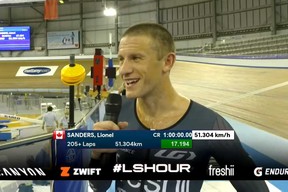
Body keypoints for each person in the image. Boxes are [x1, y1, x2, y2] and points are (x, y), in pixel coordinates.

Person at [89, 23, 269, 191]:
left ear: (167, 62)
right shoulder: (119, 111)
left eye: (136, 58)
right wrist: (97, 156)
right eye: (122, 59)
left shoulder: (209, 124)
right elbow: (100, 185)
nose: (123, 70)